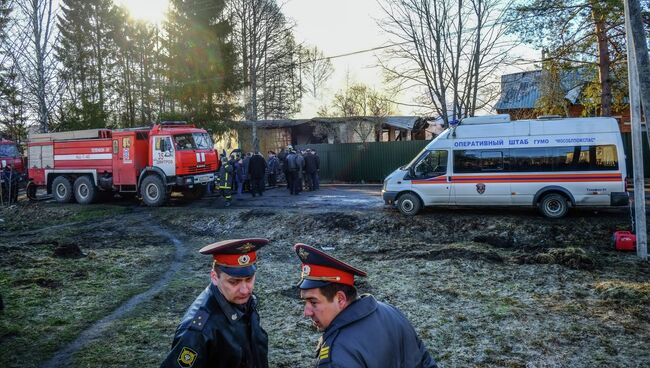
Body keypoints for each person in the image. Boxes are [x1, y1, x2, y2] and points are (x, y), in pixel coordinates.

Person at [293, 243, 438, 368]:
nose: (306, 312)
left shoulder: (336, 356)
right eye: (305, 302)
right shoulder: (391, 312)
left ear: (340, 299)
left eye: (313, 302)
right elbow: (425, 362)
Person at [161, 238, 270, 368]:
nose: (245, 289)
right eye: (234, 282)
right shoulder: (198, 329)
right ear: (214, 277)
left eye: (249, 279)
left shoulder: (246, 302)